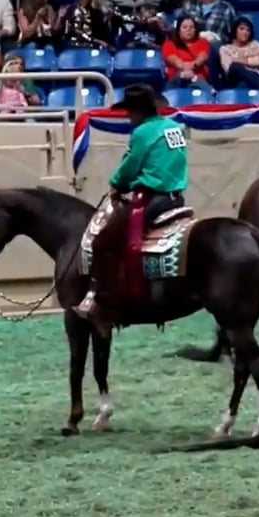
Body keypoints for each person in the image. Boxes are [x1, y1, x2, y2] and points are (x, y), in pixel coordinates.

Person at [72, 84, 187, 335]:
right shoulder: (173, 127)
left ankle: (102, 299)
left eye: (129, 111)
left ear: (137, 111)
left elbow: (131, 165)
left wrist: (117, 184)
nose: (128, 116)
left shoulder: (143, 132)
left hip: (153, 199)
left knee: (103, 241)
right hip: (176, 198)